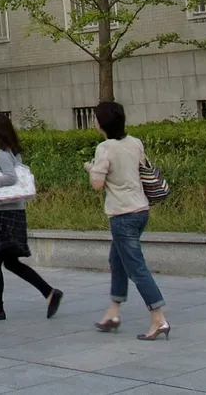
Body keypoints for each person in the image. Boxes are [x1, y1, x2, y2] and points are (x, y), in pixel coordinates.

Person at [84, 101, 169, 341]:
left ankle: (158, 318)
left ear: (101, 123)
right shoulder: (135, 142)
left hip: (122, 215)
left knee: (136, 268)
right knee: (117, 259)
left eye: (95, 118)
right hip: (141, 210)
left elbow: (97, 185)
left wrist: (91, 169)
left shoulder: (105, 148)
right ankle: (113, 313)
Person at [0, 112, 63, 320]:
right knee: (11, 262)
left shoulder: (1, 152)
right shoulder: (14, 152)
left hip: (2, 215)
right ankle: (49, 292)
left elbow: (11, 178)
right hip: (16, 212)